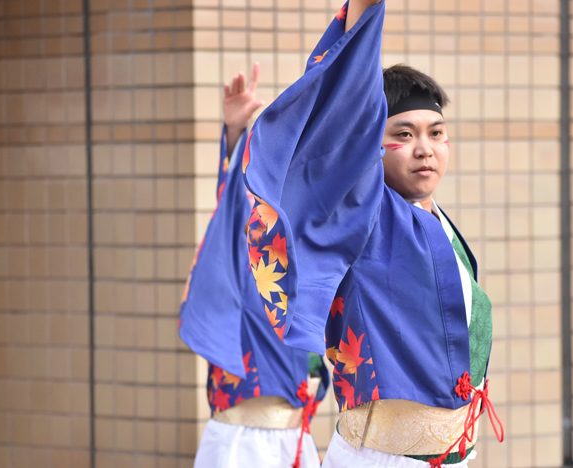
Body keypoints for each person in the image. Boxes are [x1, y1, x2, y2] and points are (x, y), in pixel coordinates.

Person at [242, 1, 504, 467]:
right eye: (403, 135)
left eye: (436, 132)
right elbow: (347, 114)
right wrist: (365, 15)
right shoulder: (362, 213)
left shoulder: (439, 224)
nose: (424, 149)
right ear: (370, 147)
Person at [179, 63, 329, 468]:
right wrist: (234, 137)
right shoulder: (247, 240)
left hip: (299, 439)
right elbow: (231, 213)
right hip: (241, 441)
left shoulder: (315, 245)